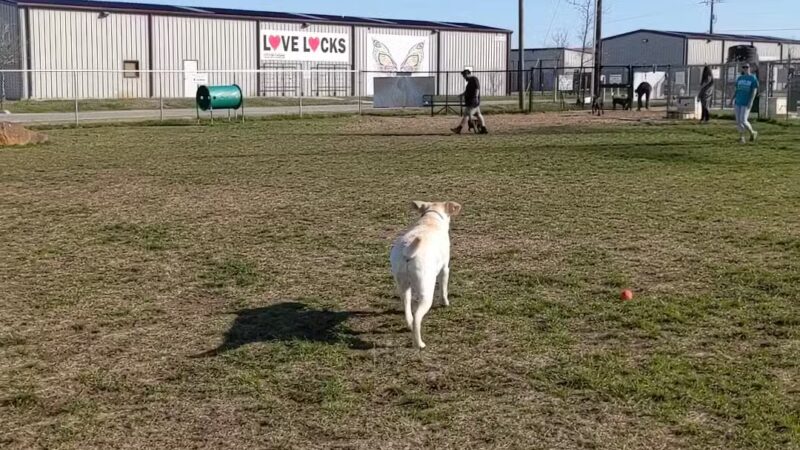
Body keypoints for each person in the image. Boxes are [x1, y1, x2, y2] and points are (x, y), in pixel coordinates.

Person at [451, 69, 488, 134]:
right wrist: (462, 94)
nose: (464, 77)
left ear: (468, 74)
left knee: (467, 115)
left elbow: (477, 88)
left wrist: (476, 97)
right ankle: (483, 128)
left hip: (472, 101)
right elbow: (467, 91)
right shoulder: (470, 82)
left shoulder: (474, 79)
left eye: (464, 75)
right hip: (473, 101)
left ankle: (459, 129)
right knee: (478, 114)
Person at [733, 63, 759, 143]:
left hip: (746, 102)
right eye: (743, 67)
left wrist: (750, 102)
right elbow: (737, 89)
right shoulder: (740, 78)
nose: (745, 68)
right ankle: (741, 137)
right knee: (738, 121)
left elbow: (754, 92)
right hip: (738, 101)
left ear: (749, 68)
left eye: (747, 67)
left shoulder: (753, 78)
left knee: (743, 120)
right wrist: (732, 98)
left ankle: (752, 132)